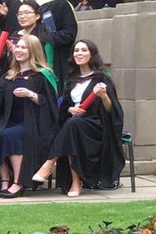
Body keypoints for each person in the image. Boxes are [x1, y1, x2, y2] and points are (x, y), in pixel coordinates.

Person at [32, 40, 125, 196]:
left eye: (83, 50)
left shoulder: (102, 78)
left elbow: (111, 110)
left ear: (92, 54)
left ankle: (50, 163)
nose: (79, 53)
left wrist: (103, 97)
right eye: (76, 51)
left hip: (96, 126)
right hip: (74, 124)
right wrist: (70, 108)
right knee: (72, 125)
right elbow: (63, 108)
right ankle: (75, 181)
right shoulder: (71, 79)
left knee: (72, 125)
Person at [0, 34, 59, 198]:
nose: (18, 50)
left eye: (23, 47)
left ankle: (18, 182)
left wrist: (31, 94)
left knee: (12, 135)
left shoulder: (42, 75)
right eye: (17, 47)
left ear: (33, 50)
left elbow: (50, 103)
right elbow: (0, 99)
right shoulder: (10, 74)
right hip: (11, 119)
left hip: (34, 122)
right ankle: (5, 179)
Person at [22, 0, 77, 88]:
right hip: (27, 62)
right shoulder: (21, 7)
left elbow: (69, 34)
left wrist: (45, 38)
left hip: (54, 61)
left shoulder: (60, 4)